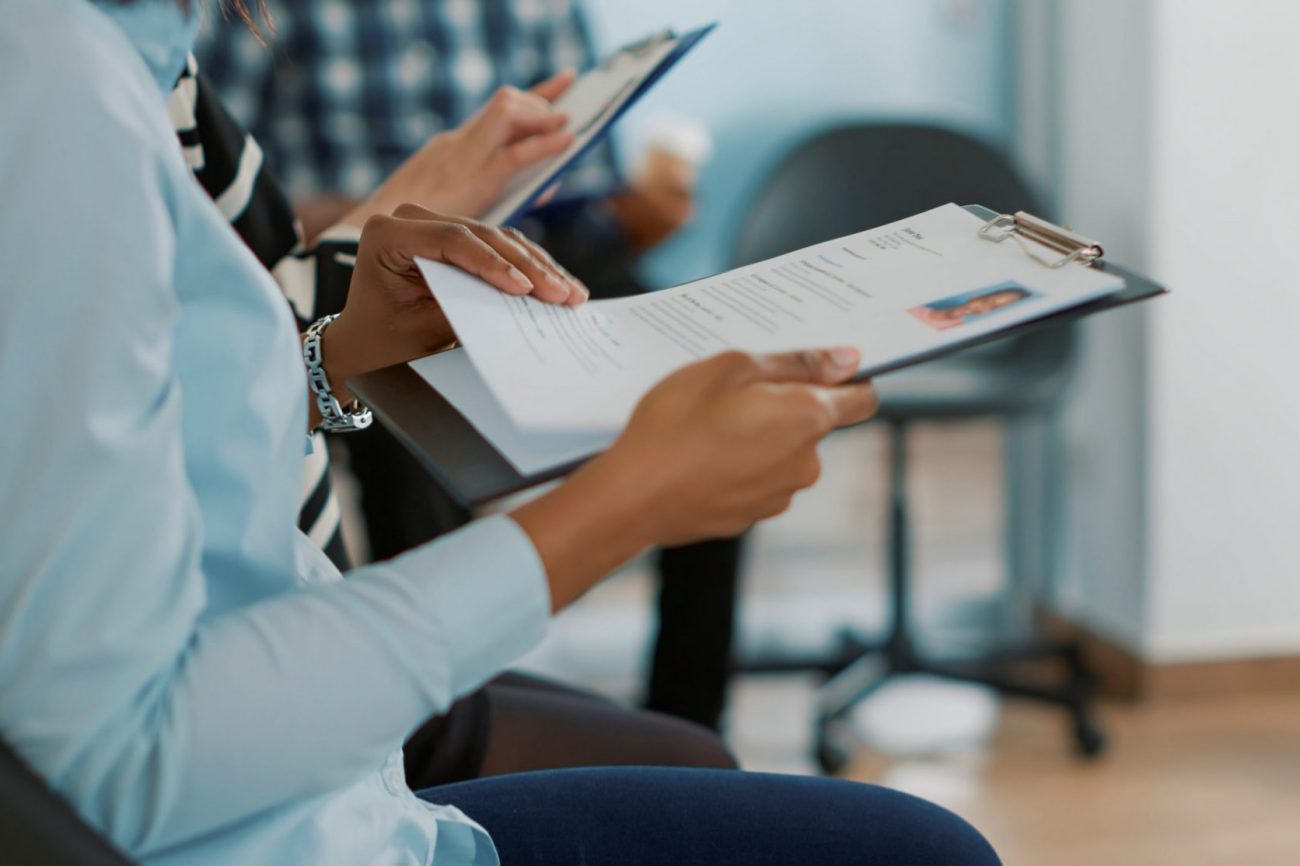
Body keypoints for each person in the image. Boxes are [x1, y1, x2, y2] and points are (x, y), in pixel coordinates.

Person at [0, 2, 1005, 865]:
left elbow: (160, 404)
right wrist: (620, 504)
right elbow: (119, 765)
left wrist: (333, 350)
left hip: (338, 791)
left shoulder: (124, 54)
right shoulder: (60, 92)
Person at [169, 51, 735, 785]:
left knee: (702, 379)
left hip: (307, 596)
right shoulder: (110, 80)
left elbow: (236, 361)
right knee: (703, 773)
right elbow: (214, 370)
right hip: (276, 651)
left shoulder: (161, 60)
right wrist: (397, 203)